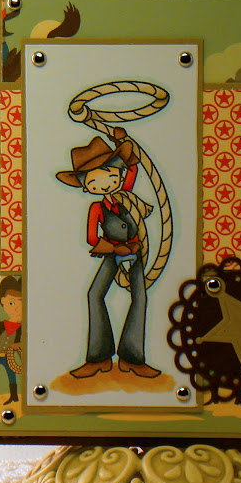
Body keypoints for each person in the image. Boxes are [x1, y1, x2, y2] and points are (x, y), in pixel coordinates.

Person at [56, 129, 160, 378]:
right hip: (112, 253)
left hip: (135, 251)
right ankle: (98, 357)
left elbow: (133, 168)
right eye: (93, 182)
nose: (103, 184)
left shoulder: (126, 196)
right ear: (86, 187)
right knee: (95, 294)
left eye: (109, 175)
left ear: (118, 174)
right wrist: (114, 248)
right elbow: (92, 238)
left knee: (140, 297)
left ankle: (132, 358)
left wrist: (122, 142)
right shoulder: (97, 208)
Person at [0, 276, 22, 404]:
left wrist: (15, 346)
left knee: (12, 375)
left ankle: (14, 396)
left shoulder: (22, 327)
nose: (17, 308)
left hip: (9, 356)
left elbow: (22, 342)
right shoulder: (0, 325)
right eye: (12, 303)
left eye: (21, 303)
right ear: (3, 301)